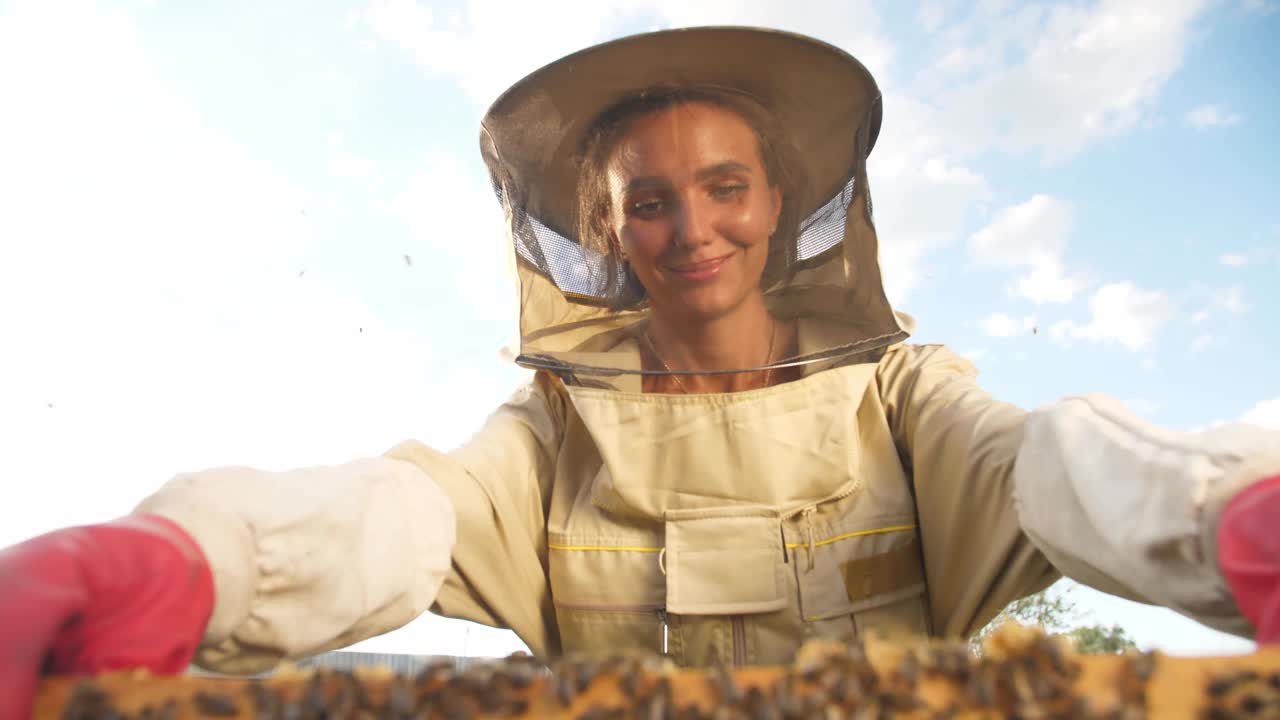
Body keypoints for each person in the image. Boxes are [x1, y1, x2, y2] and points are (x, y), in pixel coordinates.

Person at [2, 26, 1277, 718]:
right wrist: (197, 558)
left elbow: (1054, 464)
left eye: (725, 187)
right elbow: (410, 512)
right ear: (605, 232)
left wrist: (1226, 512)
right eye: (648, 201)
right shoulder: (558, 421)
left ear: (782, 200)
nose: (694, 229)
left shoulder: (901, 392)